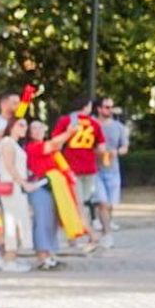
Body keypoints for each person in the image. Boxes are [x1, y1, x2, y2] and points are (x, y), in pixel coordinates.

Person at [52, 95, 108, 249]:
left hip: (69, 167)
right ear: (87, 106)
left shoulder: (66, 120)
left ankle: (74, 236)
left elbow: (55, 142)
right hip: (89, 168)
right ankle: (83, 234)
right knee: (82, 202)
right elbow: (102, 149)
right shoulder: (95, 124)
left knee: (74, 203)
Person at [23, 118, 73, 271]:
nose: (38, 131)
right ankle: (42, 255)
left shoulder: (46, 148)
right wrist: (69, 133)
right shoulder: (32, 147)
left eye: (40, 127)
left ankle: (50, 253)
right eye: (34, 129)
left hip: (52, 186)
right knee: (42, 220)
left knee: (51, 221)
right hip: (39, 186)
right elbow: (53, 144)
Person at [0, 116, 39, 271]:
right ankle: (9, 260)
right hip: (13, 187)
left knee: (16, 222)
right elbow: (9, 166)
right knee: (14, 223)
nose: (24, 128)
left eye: (25, 125)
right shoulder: (7, 143)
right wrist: (24, 183)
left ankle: (8, 258)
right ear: (12, 126)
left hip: (16, 187)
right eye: (21, 125)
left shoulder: (14, 144)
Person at [96, 98, 128, 235]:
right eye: (107, 107)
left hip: (113, 169)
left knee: (109, 204)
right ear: (99, 108)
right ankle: (106, 232)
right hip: (96, 169)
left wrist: (117, 152)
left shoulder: (119, 127)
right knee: (102, 202)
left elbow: (125, 147)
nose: (110, 110)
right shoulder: (93, 125)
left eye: (111, 107)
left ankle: (106, 226)